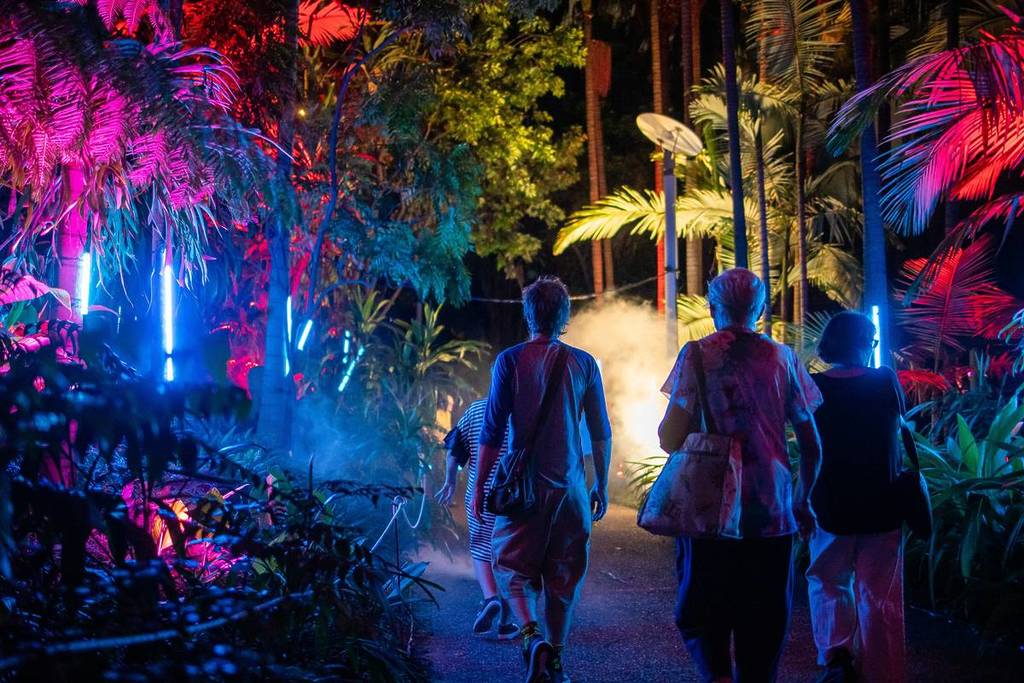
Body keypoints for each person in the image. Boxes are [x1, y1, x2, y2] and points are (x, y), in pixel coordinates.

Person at [657, 268, 823, 683]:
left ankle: (718, 676)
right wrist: (802, 499)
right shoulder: (783, 358)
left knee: (701, 613)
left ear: (713, 308)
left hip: (711, 513)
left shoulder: (696, 355)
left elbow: (669, 437)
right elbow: (811, 443)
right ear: (760, 309)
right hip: (772, 512)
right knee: (765, 623)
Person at [472, 275, 613, 683]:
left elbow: (492, 431)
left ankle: (532, 637)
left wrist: (480, 485)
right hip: (570, 490)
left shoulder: (509, 361)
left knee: (512, 569)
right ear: (565, 316)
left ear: (528, 313)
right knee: (564, 577)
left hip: (522, 491)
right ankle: (557, 662)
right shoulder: (584, 364)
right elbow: (601, 431)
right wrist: (601, 484)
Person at [806, 311, 907, 683]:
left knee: (827, 581)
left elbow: (807, 443)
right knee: (878, 594)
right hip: (883, 500)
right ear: (866, 343)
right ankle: (883, 673)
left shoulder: (815, 386)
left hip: (830, 501)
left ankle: (837, 660)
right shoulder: (884, 380)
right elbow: (901, 420)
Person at [436, 399, 519, 639]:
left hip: (480, 496)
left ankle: (490, 598)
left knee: (481, 548)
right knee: (509, 557)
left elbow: (455, 449)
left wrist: (450, 481)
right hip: (515, 496)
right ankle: (505, 623)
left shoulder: (475, 410)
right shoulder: (523, 409)